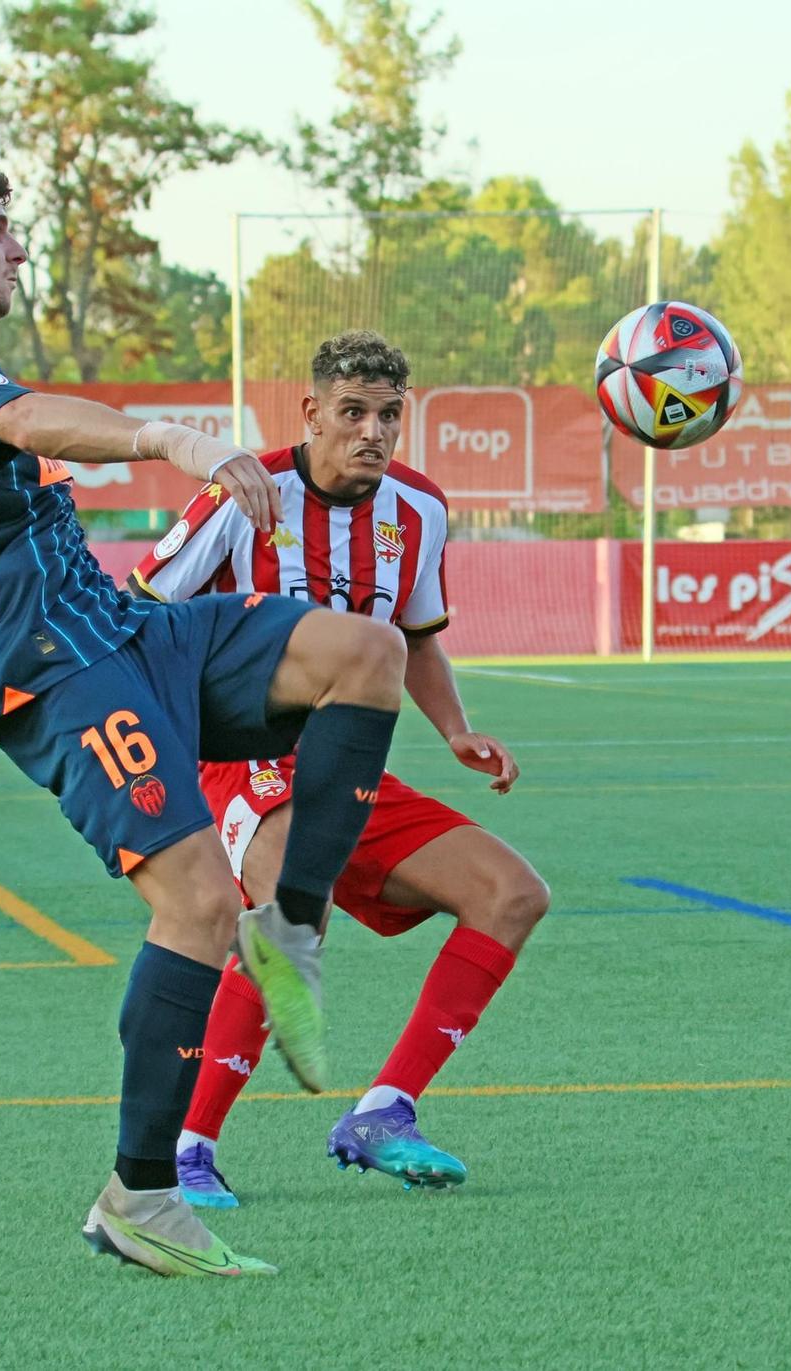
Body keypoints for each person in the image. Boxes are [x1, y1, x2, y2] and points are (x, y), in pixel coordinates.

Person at [0, 154, 409, 1278]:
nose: (17, 245)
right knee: (190, 900)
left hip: (125, 630)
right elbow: (35, 419)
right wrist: (175, 441)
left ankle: (292, 931)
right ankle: (139, 1196)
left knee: (363, 653)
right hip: (55, 671)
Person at [130, 329, 548, 1206]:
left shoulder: (420, 510)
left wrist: (457, 730)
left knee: (511, 893)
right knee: (288, 906)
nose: (372, 432)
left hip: (348, 769)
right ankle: (188, 1150)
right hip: (242, 763)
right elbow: (145, 613)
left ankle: (384, 1112)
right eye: (352, 413)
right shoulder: (245, 493)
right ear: (312, 413)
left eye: (389, 415)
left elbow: (418, 639)